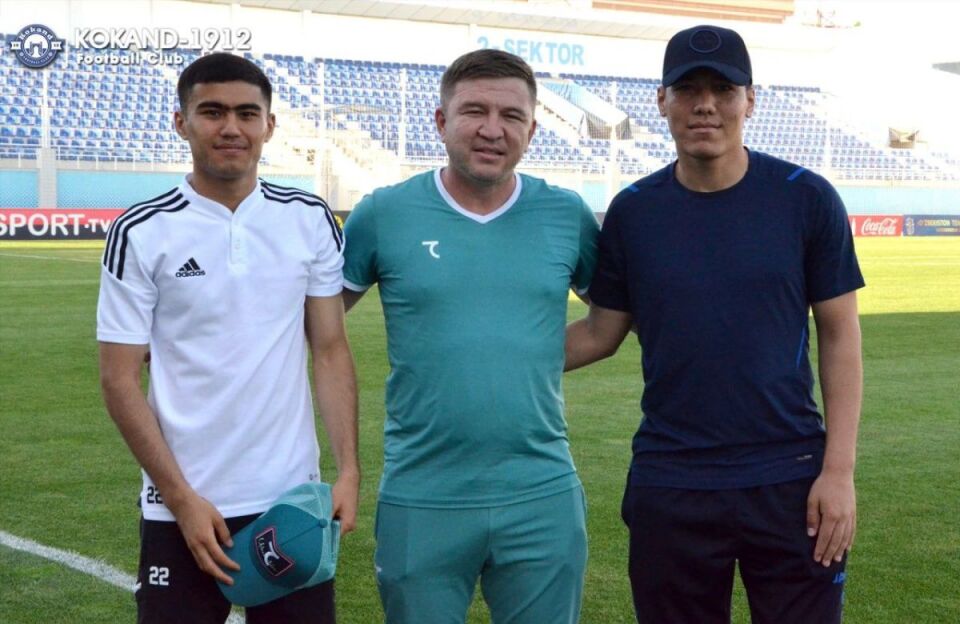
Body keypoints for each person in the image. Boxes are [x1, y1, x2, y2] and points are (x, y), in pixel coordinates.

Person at [565, 25, 864, 624]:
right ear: (662, 100)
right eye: (688, 89)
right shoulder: (634, 210)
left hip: (790, 476)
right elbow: (600, 332)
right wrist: (493, 354)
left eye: (723, 89)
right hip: (671, 478)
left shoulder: (805, 197)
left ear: (749, 100)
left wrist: (838, 471)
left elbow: (840, 335)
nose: (706, 104)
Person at [97, 52, 359, 624]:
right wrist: (181, 499)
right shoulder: (141, 230)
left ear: (270, 125)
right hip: (182, 505)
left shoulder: (309, 217)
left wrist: (348, 471)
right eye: (212, 112)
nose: (231, 127)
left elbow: (330, 349)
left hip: (290, 503)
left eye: (247, 113)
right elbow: (118, 379)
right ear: (181, 122)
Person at [340, 49, 598, 624]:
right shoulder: (384, 214)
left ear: (532, 129)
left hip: (541, 490)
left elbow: (608, 324)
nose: (492, 129)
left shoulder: (566, 215)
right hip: (422, 492)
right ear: (441, 120)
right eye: (474, 111)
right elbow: (319, 327)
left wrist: (522, 359)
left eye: (511, 115)